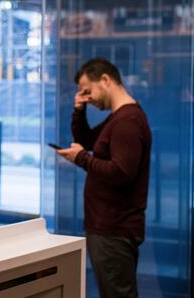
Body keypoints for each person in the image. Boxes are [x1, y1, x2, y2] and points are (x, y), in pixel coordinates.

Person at [56, 58, 152, 298]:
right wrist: (79, 111)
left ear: (106, 80)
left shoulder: (127, 121)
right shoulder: (118, 118)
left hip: (114, 229)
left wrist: (81, 159)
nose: (88, 98)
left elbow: (121, 173)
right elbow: (88, 141)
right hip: (109, 228)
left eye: (88, 91)